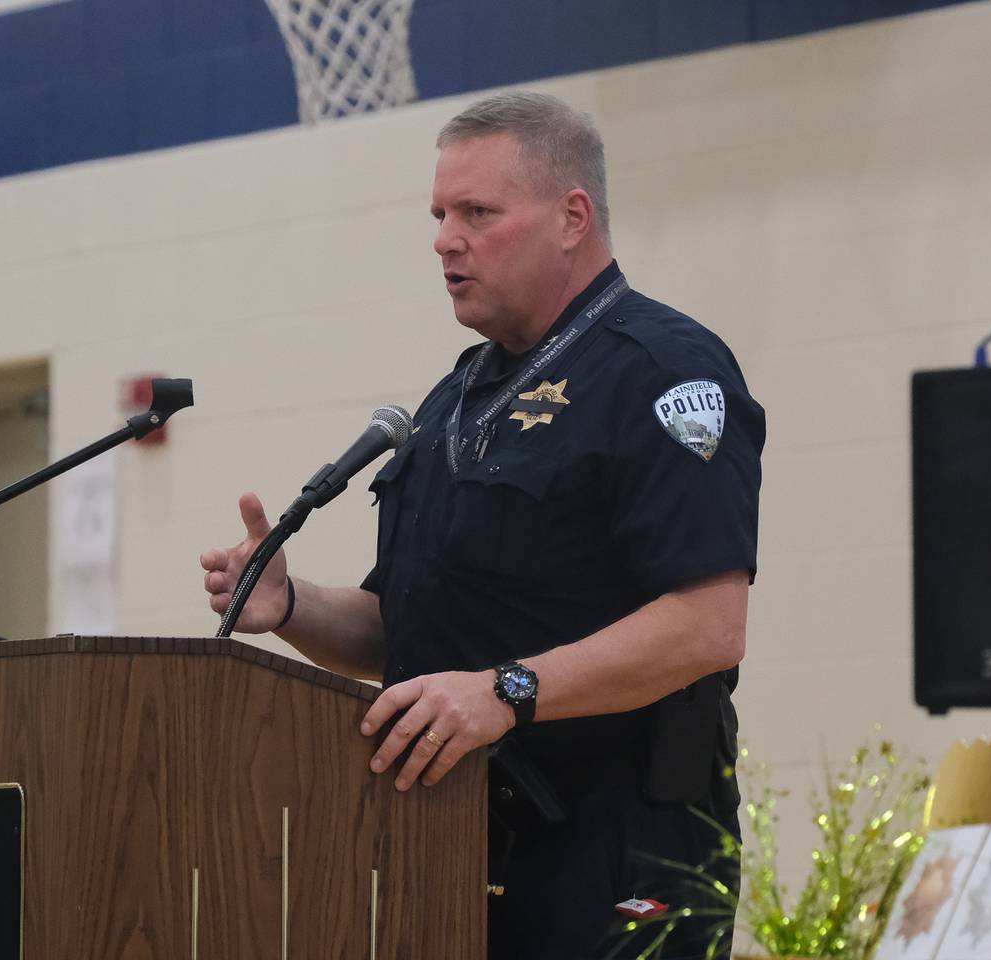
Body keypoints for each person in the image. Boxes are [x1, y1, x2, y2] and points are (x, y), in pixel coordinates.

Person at [201, 91, 766, 959]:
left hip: (618, 859)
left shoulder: (662, 373)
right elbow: (408, 636)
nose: (444, 239)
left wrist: (505, 692)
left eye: (477, 212)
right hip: (454, 850)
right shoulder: (456, 397)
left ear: (572, 217)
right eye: (438, 214)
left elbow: (707, 627)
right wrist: (292, 605)